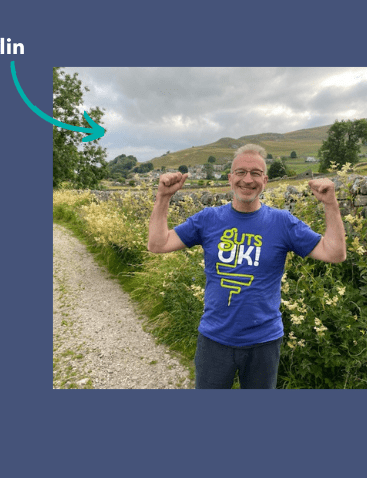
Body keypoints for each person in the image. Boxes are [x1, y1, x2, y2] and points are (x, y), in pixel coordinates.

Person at [147, 144, 346, 389]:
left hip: (264, 342)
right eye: (240, 172)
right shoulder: (208, 219)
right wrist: (163, 197)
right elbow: (158, 244)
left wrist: (330, 204)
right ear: (230, 178)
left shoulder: (282, 222)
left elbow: (335, 254)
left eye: (255, 173)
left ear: (265, 180)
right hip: (214, 339)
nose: (247, 180)